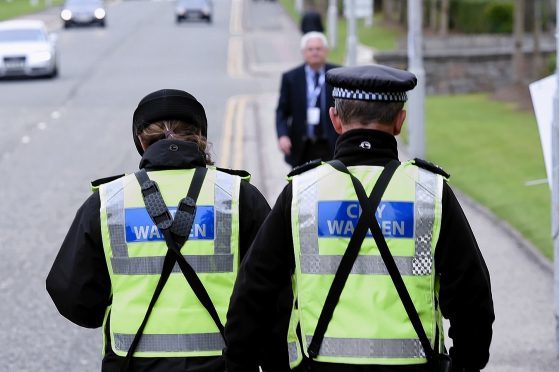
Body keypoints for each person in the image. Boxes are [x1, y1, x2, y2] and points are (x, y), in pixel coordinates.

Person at [224, 65, 495, 372]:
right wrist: (464, 365)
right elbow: (472, 297)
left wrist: (243, 364)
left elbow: (253, 292)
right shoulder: (430, 192)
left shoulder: (302, 191)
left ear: (335, 120)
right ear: (399, 121)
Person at [46, 89, 271, 372]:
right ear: (199, 135)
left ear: (141, 140)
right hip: (223, 362)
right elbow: (274, 290)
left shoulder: (107, 201)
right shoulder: (239, 196)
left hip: (132, 363)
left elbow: (71, 294)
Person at [276, 31, 339, 168]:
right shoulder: (291, 78)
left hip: (331, 145)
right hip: (301, 147)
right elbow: (281, 111)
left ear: (326, 51)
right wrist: (283, 136)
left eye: (318, 49)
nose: (314, 52)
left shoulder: (338, 75)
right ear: (303, 52)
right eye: (310, 49)